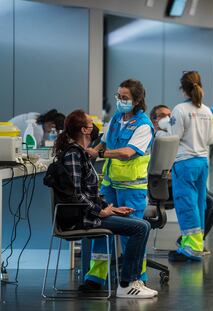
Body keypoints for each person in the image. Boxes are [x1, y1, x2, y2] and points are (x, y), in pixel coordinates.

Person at [53, 109, 156, 298]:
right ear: (84, 130)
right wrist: (100, 212)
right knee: (140, 228)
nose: (95, 128)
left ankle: (133, 281)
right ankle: (127, 284)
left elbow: (87, 193)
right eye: (91, 125)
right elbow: (76, 195)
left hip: (95, 210)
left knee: (143, 225)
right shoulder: (74, 155)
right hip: (87, 218)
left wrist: (111, 208)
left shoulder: (82, 154)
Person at [84, 79, 154, 289]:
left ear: (137, 100)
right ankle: (95, 278)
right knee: (100, 229)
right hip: (110, 185)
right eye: (118, 97)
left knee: (132, 234)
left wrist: (101, 153)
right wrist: (95, 149)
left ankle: (135, 279)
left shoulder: (144, 125)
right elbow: (106, 139)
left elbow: (127, 153)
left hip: (132, 189)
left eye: (125, 98)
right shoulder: (116, 118)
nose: (120, 101)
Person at [150, 104, 213, 254]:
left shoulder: (173, 137)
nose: (168, 119)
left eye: (169, 116)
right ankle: (192, 242)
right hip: (165, 185)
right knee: (208, 201)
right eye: (163, 116)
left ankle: (196, 241)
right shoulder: (157, 138)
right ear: (154, 121)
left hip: (180, 177)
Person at [166, 71, 213, 262]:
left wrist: (164, 126)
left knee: (186, 205)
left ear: (182, 88)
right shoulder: (206, 110)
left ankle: (192, 249)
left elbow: (174, 137)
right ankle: (192, 244)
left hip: (185, 162)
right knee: (199, 204)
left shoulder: (180, 109)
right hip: (202, 162)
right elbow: (211, 138)